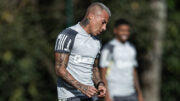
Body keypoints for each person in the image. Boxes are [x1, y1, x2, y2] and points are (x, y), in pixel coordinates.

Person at [54, 2, 111, 101]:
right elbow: (59, 69)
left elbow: (94, 68)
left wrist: (100, 84)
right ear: (91, 17)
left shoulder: (97, 41)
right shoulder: (68, 35)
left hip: (91, 96)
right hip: (70, 97)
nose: (104, 28)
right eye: (103, 22)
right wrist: (82, 87)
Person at [100, 19, 144, 101]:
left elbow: (134, 72)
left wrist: (139, 94)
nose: (125, 33)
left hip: (131, 94)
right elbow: (103, 73)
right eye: (122, 30)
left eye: (127, 31)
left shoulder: (131, 48)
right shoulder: (109, 48)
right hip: (115, 94)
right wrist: (107, 96)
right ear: (115, 31)